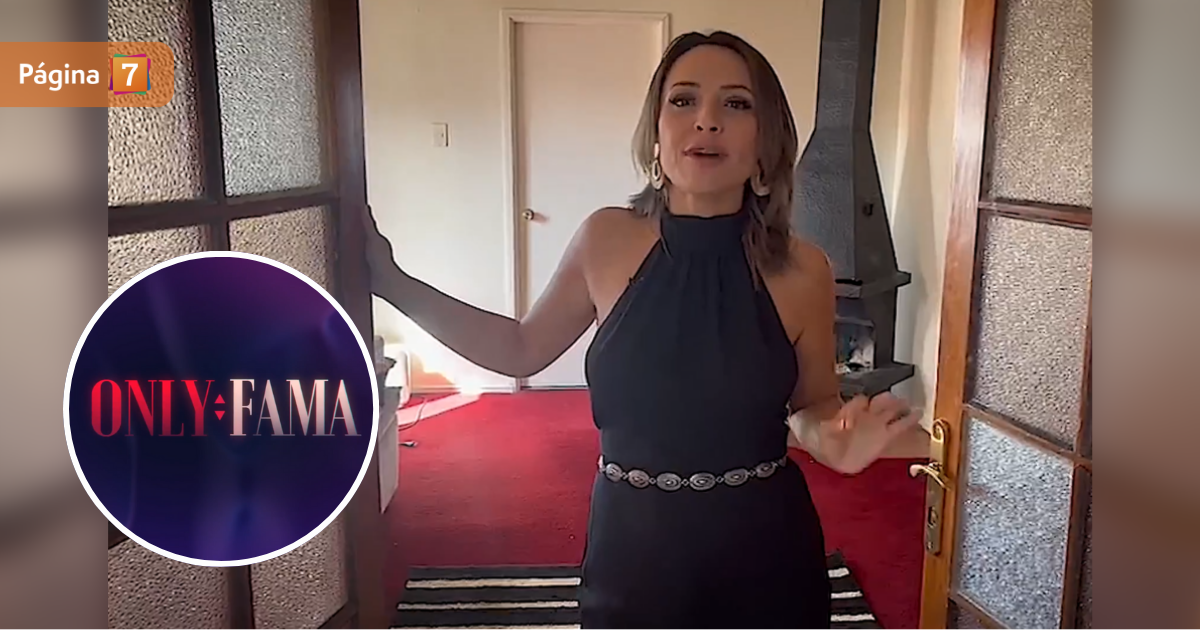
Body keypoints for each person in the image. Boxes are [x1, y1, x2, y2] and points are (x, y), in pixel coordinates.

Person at [364, 30, 917, 629]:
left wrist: (834, 440)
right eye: (684, 100)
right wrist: (392, 282)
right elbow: (520, 348)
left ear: (766, 143)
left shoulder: (803, 268)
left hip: (766, 554)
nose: (707, 120)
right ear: (656, 133)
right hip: (633, 549)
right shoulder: (606, 239)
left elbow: (811, 405)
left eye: (736, 103)